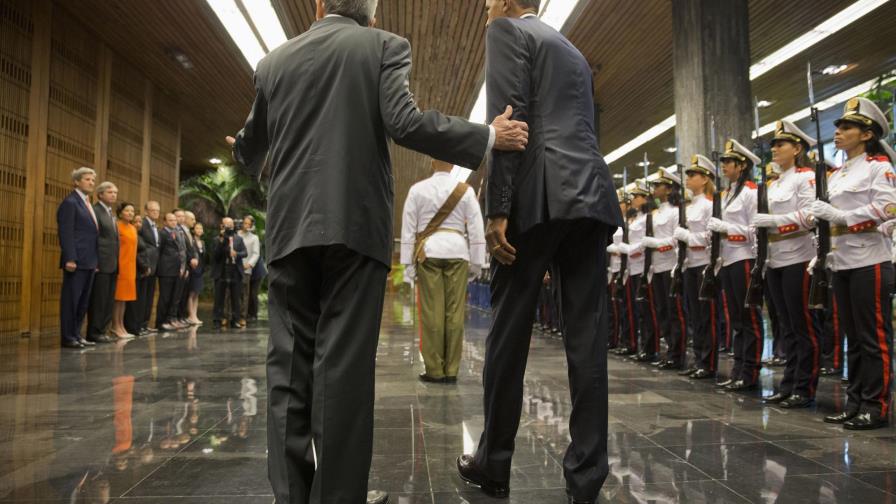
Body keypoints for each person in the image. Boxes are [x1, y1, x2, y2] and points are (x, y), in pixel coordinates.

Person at [227, 0, 528, 501]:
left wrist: (239, 147)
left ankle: (290, 496)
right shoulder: (384, 45)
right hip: (353, 226)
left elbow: (250, 147)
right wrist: (488, 135)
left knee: (287, 370)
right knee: (342, 370)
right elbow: (404, 122)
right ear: (371, 15)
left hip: (288, 230)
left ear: (320, 5)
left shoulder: (273, 62)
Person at [457, 2, 623, 503]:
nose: (486, 8)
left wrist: (498, 208)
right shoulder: (571, 49)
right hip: (590, 196)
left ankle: (494, 463)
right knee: (588, 340)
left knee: (508, 333)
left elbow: (510, 120)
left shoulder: (506, 31)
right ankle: (587, 476)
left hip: (538, 194)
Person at [807, 97, 896, 430]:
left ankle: (877, 405)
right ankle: (856, 401)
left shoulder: (878, 168)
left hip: (869, 259)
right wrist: (823, 248)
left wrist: (843, 216)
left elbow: (889, 209)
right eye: (839, 127)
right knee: (854, 338)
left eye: (847, 127)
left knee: (874, 337)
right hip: (842, 260)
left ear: (866, 134)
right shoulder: (839, 172)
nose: (840, 132)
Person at [400, 159, 486, 384]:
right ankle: (451, 370)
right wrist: (477, 263)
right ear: (453, 166)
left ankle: (434, 370)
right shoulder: (465, 192)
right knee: (455, 313)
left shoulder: (417, 190)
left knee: (432, 312)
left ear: (431, 164)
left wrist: (408, 265)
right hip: (458, 251)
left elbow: (408, 229)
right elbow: (476, 229)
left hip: (429, 253)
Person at [754, 120, 820, 409]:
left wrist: (776, 221)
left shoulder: (805, 177)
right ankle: (789, 383)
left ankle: (804, 387)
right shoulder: (775, 183)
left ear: (797, 148)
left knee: (803, 325)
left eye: (781, 144)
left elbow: (811, 215)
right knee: (786, 326)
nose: (775, 149)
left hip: (798, 257)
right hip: (775, 259)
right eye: (774, 145)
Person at [708, 139, 764, 392]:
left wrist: (727, 229)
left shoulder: (751, 192)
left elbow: (755, 229)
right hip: (728, 260)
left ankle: (750, 371)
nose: (724, 167)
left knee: (748, 317)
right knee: (736, 320)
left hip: (744, 259)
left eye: (728, 163)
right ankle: (739, 368)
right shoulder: (728, 194)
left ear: (741, 166)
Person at [674, 155, 717, 379]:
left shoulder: (709, 205)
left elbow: (710, 237)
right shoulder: (689, 207)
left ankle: (708, 363)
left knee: (705, 316)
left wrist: (688, 237)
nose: (688, 179)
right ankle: (699, 358)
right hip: (689, 264)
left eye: (692, 175)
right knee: (694, 316)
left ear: (704, 179)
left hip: (703, 264)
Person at [642, 167, 687, 371]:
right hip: (657, 267)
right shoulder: (655, 213)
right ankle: (669, 350)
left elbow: (676, 238)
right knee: (661, 311)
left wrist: (656, 243)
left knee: (674, 312)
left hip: (670, 265)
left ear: (669, 189)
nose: (655, 189)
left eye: (658, 186)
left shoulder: (676, 212)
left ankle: (678, 354)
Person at [57, 167, 100, 349]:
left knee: (83, 301)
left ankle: (77, 334)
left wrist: (95, 260)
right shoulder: (70, 202)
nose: (91, 182)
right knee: (71, 300)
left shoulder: (87, 202)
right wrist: (70, 258)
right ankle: (68, 337)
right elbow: (66, 233)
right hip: (76, 260)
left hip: (89, 260)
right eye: (87, 179)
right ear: (76, 182)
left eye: (92, 180)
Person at [618, 181, 651, 359]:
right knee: (634, 309)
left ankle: (649, 348)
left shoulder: (648, 218)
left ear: (645, 198)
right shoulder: (635, 219)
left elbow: (647, 240)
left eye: (637, 197)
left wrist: (630, 249)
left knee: (647, 311)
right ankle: (639, 346)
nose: (633, 200)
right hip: (632, 268)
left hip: (645, 266)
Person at [87, 181, 120, 344]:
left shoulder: (110, 212)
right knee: (99, 299)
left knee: (108, 299)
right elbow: (94, 238)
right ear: (100, 194)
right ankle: (94, 331)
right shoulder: (96, 211)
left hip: (113, 263)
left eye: (115, 192)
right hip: (101, 262)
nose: (113, 195)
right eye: (110, 192)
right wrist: (96, 261)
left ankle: (103, 330)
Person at [212, 217, 246, 330]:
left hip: (235, 269)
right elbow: (216, 255)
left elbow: (245, 253)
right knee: (219, 297)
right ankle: (217, 320)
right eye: (227, 224)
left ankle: (235, 320)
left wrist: (236, 254)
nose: (229, 226)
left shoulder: (239, 239)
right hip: (221, 270)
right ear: (222, 225)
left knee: (236, 297)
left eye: (231, 224)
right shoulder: (217, 239)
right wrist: (222, 240)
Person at [111, 202, 138, 340]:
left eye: (132, 211)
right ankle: (115, 326)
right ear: (120, 212)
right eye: (127, 210)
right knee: (118, 298)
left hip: (131, 267)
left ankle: (121, 325)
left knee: (125, 299)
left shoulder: (133, 228)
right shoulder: (117, 226)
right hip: (121, 265)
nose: (130, 213)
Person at [155, 213, 186, 332]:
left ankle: (170, 319)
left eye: (174, 220)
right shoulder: (162, 233)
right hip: (166, 270)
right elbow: (159, 251)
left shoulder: (177, 233)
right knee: (165, 297)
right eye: (170, 220)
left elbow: (181, 251)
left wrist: (182, 267)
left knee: (174, 297)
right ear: (165, 222)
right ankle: (160, 322)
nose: (173, 222)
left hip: (177, 270)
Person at [124, 214, 150, 335]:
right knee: (133, 303)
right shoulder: (132, 235)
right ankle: (132, 327)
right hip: (135, 270)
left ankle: (139, 326)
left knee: (141, 301)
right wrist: (144, 267)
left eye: (140, 222)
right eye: (136, 222)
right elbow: (135, 254)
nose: (138, 224)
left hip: (142, 271)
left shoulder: (140, 235)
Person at [139, 201, 161, 332]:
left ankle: (145, 324)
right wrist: (145, 265)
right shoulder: (143, 224)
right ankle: (139, 324)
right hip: (145, 265)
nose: (155, 212)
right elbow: (141, 247)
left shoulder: (155, 226)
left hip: (155, 266)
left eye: (157, 210)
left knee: (149, 297)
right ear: (146, 211)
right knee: (142, 297)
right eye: (153, 210)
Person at [238, 215, 261, 328]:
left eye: (248, 224)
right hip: (235, 267)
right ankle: (232, 315)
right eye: (245, 223)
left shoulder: (254, 238)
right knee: (232, 293)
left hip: (246, 268)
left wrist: (250, 264)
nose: (246, 225)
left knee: (245, 294)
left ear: (251, 225)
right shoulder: (236, 234)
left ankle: (243, 316)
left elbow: (256, 253)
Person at [186, 223, 207, 326]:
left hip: (200, 270)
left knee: (197, 293)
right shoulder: (191, 241)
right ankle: (190, 315)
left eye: (201, 228)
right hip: (193, 269)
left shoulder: (202, 242)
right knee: (192, 292)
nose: (199, 230)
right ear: (193, 230)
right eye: (197, 228)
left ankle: (195, 314)